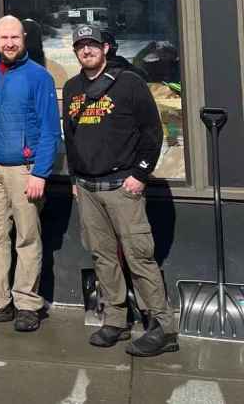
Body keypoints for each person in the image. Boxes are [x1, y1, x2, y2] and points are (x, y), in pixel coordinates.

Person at [63, 24, 177, 356]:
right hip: (86, 187)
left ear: (106, 48)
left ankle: (162, 327)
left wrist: (141, 174)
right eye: (81, 46)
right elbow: (70, 139)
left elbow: (152, 132)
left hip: (122, 186)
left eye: (92, 45)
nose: (86, 50)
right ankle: (115, 319)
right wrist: (73, 179)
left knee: (140, 257)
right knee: (102, 256)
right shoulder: (72, 88)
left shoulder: (129, 83)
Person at [0, 15, 61, 332]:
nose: (9, 43)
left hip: (24, 170)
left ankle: (27, 304)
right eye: (4, 38)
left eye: (15, 38)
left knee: (27, 238)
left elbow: (50, 131)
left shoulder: (39, 77)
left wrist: (41, 173)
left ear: (24, 39)